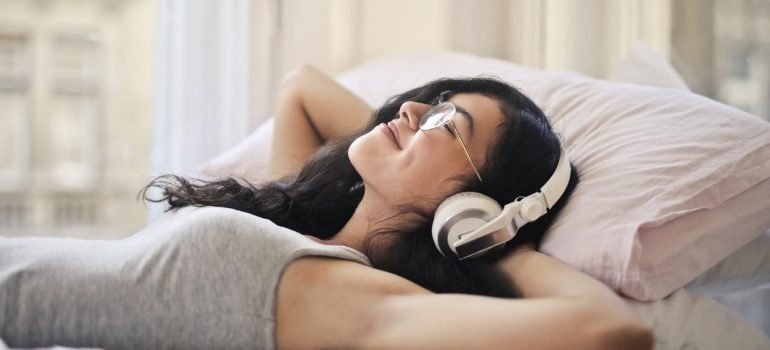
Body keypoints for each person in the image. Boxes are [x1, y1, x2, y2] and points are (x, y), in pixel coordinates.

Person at [0, 65, 653, 350]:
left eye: (449, 121)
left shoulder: (351, 301)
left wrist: (492, 237)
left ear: (477, 205)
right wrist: (417, 138)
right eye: (434, 97)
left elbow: (615, 335)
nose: (413, 110)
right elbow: (302, 89)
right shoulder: (304, 228)